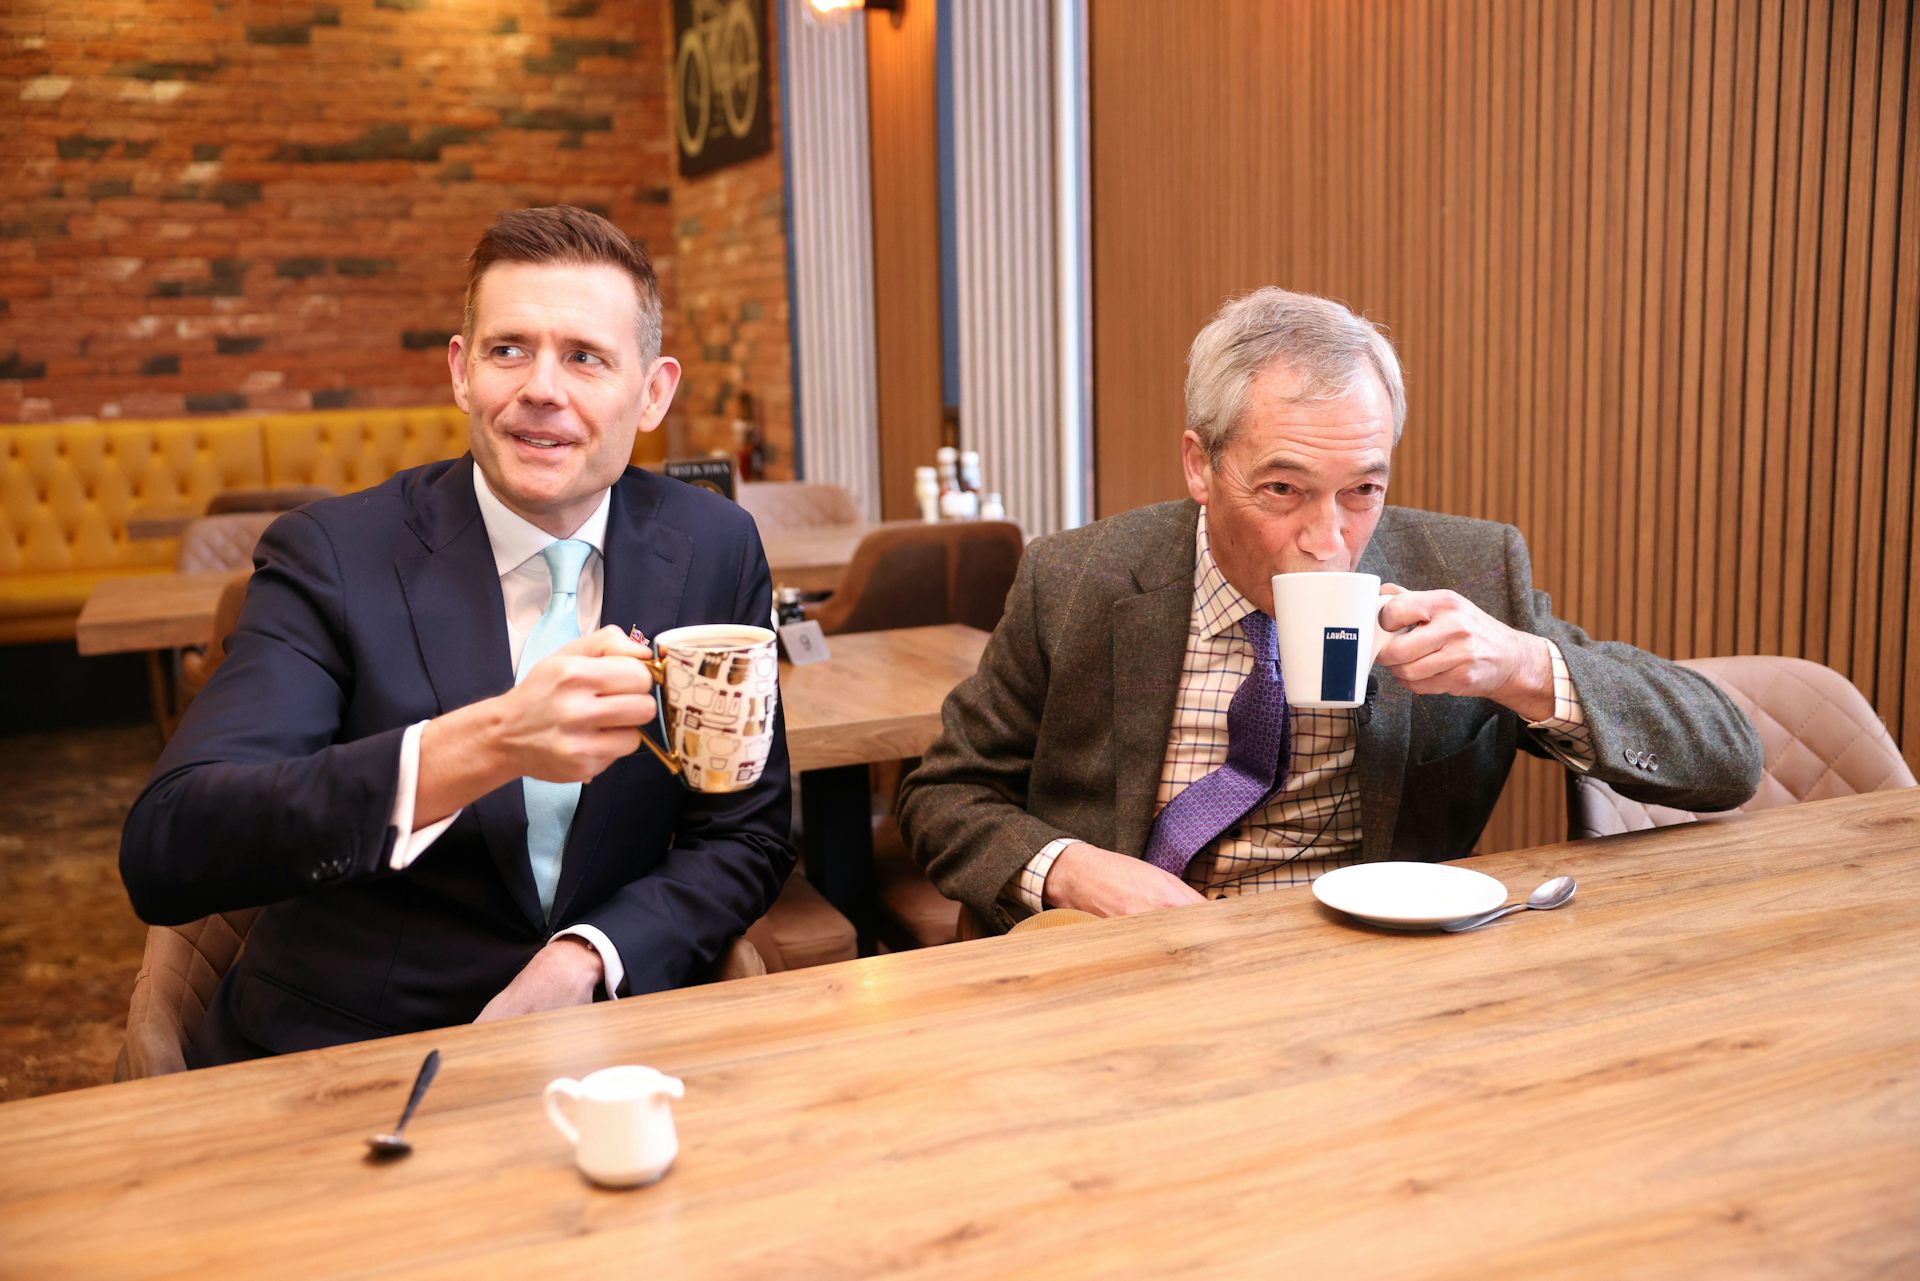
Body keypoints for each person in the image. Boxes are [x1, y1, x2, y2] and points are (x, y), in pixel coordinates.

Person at [120, 206, 794, 1064]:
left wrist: (589, 956)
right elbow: (170, 844)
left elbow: (746, 832)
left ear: (654, 392)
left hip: (615, 1046)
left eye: (585, 357)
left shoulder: (714, 545)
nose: (541, 387)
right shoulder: (334, 555)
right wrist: (492, 740)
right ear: (461, 372)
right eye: (508, 349)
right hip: (350, 1053)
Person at [898, 287, 1761, 932]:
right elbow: (945, 793)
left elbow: (1727, 759)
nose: (1327, 540)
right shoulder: (1076, 578)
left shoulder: (1466, 571)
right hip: (1120, 965)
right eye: (1283, 488)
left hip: (1368, 981)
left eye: (1362, 491)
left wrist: (1522, 666)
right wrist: (1071, 870)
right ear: (1200, 465)